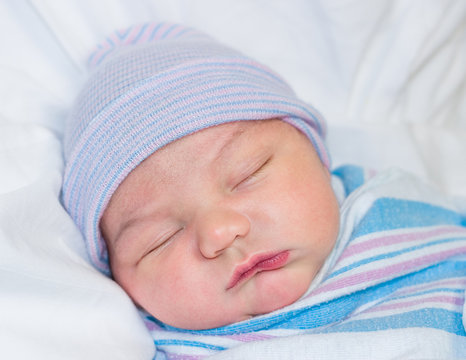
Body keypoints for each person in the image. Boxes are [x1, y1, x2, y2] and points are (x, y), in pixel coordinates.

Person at [62, 22, 466, 358]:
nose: (220, 232)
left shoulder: (403, 216)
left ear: (318, 158)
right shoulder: (144, 345)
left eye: (248, 173)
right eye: (159, 240)